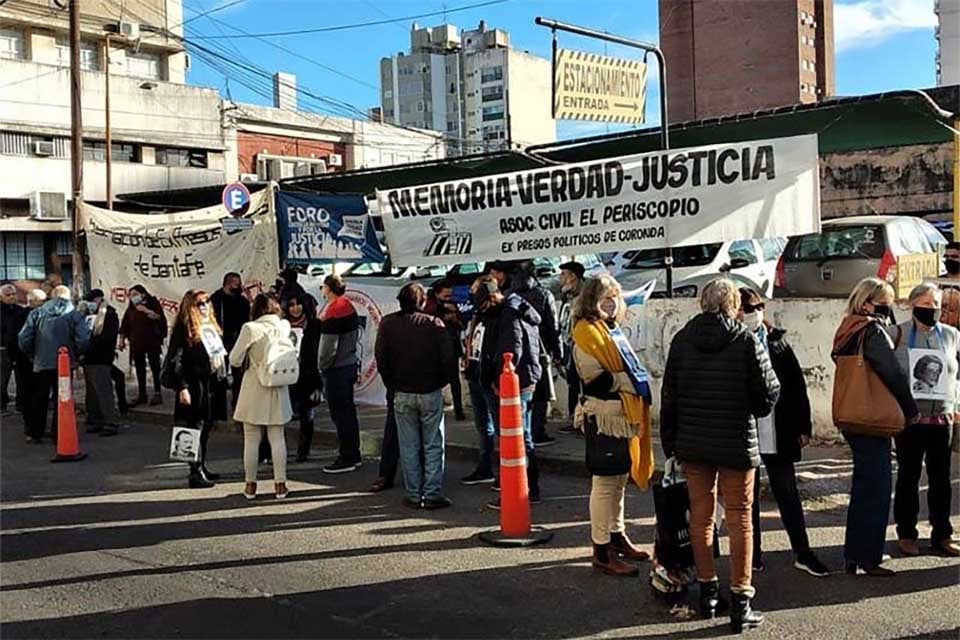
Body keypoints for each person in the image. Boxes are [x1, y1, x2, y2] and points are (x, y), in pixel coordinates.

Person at [660, 278, 780, 632]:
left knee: (701, 516)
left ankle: (708, 592)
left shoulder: (682, 340)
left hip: (693, 443)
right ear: (734, 306)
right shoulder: (745, 341)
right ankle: (741, 601)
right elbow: (767, 395)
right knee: (741, 518)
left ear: (702, 303)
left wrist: (671, 444)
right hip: (735, 442)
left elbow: (670, 396)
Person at [737, 288, 830, 577]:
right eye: (749, 307)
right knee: (746, 498)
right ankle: (752, 555)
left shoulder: (777, 343)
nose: (755, 312)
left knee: (787, 492)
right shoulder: (732, 343)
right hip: (745, 433)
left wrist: (804, 425)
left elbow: (796, 385)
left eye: (759, 306)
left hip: (779, 431)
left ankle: (802, 551)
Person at [831, 277, 918, 576]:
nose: (888, 307)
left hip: (851, 414)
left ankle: (854, 554)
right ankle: (868, 557)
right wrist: (910, 409)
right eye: (885, 302)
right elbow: (891, 371)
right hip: (873, 417)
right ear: (868, 302)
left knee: (863, 486)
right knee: (878, 488)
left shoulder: (847, 328)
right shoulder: (871, 331)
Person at [571, 274, 653, 577]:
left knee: (619, 480)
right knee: (605, 484)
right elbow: (595, 378)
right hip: (603, 414)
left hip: (621, 414)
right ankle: (601, 550)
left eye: (614, 297)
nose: (610, 303)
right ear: (591, 300)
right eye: (604, 297)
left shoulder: (609, 329)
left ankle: (617, 536)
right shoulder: (586, 332)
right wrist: (630, 383)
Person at [889, 283, 960, 557]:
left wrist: (956, 403)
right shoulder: (898, 334)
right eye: (928, 304)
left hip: (943, 419)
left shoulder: (952, 335)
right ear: (913, 304)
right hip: (910, 419)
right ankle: (906, 533)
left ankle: (942, 534)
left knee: (941, 479)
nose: (934, 310)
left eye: (937, 304)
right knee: (908, 476)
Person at [376, 283, 455, 509]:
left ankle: (413, 493)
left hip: (402, 390)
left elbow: (381, 358)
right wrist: (441, 382)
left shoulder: (388, 324)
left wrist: (392, 384)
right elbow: (447, 359)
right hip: (429, 390)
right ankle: (432, 493)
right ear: (422, 302)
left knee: (408, 445)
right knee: (432, 444)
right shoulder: (434, 324)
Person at [473, 275, 543, 507]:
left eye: (483, 304)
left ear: (492, 298)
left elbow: (510, 351)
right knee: (521, 437)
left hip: (514, 384)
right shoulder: (509, 310)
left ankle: (523, 489)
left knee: (517, 438)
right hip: (518, 381)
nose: (481, 310)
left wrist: (499, 379)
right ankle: (526, 488)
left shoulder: (509, 314)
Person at [229, 294, 293, 501]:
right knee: (277, 437)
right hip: (278, 384)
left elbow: (235, 359)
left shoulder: (250, 328)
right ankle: (280, 485)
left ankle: (250, 486)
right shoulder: (284, 326)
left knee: (251, 439)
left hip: (254, 386)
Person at [166, 289, 227, 489]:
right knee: (193, 427)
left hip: (211, 383)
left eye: (207, 302)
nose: (205, 306)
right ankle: (194, 471)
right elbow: (177, 361)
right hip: (193, 384)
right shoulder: (184, 329)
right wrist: (182, 387)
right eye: (199, 303)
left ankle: (202, 465)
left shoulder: (210, 326)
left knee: (206, 426)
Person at [18, 285, 91, 444]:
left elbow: (24, 338)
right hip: (65, 362)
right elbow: (83, 338)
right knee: (63, 398)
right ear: (68, 297)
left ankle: (35, 432)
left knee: (39, 397)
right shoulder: (74, 314)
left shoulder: (37, 312)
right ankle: (59, 432)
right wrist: (77, 354)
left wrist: (33, 354)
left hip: (42, 362)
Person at [510, 261, 563, 448]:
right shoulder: (543, 294)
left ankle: (524, 430)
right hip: (540, 350)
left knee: (521, 394)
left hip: (515, 351)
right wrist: (558, 351)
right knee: (541, 394)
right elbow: (552, 325)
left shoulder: (510, 295)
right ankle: (537, 431)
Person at [317, 274, 363, 474]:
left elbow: (329, 346)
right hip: (349, 363)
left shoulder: (335, 310)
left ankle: (347, 456)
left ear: (328, 288)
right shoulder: (348, 306)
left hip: (337, 368)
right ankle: (353, 452)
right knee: (348, 412)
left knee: (340, 413)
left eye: (323, 287)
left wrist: (322, 365)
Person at [460, 311, 497, 486]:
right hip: (475, 375)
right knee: (483, 425)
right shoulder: (474, 317)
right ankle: (485, 467)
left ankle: (503, 472)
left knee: (497, 427)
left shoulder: (498, 317)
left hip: (489, 378)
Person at [80, 289, 121, 437]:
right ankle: (94, 420)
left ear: (98, 300)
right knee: (92, 393)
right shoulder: (88, 315)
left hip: (101, 358)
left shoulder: (109, 315)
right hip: (88, 358)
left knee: (103, 392)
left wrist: (89, 345)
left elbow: (107, 338)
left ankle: (110, 422)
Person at [119, 284, 167, 406]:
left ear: (143, 294)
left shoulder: (153, 303)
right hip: (137, 342)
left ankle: (157, 392)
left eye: (135, 294)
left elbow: (160, 319)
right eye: (130, 295)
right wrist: (122, 339)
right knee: (139, 368)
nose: (132, 298)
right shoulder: (131, 308)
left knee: (155, 367)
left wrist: (147, 311)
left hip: (152, 341)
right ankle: (142, 394)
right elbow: (125, 324)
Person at [424, 280, 465, 421]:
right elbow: (428, 316)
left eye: (450, 296)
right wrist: (443, 313)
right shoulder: (430, 305)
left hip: (451, 345)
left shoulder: (452, 305)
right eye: (445, 296)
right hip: (435, 348)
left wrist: (454, 318)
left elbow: (461, 323)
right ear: (437, 293)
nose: (449, 298)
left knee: (455, 380)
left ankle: (458, 410)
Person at [211, 272, 251, 415]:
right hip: (220, 342)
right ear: (227, 284)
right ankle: (218, 409)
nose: (239, 286)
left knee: (239, 376)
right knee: (219, 376)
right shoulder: (216, 299)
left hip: (238, 341)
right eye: (236, 284)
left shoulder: (242, 301)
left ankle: (238, 405)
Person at [558, 261, 586, 432]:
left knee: (580, 384)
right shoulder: (568, 296)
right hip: (569, 343)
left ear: (573, 277)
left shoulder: (585, 297)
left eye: (564, 274)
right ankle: (573, 417)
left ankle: (581, 420)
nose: (560, 278)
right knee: (572, 383)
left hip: (581, 345)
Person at [1, 283, 29, 416]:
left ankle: (21, 404)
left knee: (22, 378)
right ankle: (1, 406)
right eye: (8, 295)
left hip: (19, 349)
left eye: (13, 294)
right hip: (2, 350)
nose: (11, 297)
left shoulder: (20, 310)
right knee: (2, 379)